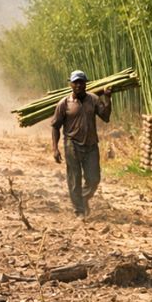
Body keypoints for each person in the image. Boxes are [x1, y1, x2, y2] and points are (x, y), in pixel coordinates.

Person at [50, 69, 112, 217]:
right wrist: (55, 149)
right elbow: (55, 126)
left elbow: (106, 117)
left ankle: (82, 199)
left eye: (81, 82)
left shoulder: (93, 99)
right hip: (72, 144)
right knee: (74, 178)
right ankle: (79, 210)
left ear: (86, 84)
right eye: (75, 82)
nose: (78, 85)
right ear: (70, 84)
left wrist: (108, 98)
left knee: (94, 178)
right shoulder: (64, 103)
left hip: (91, 145)